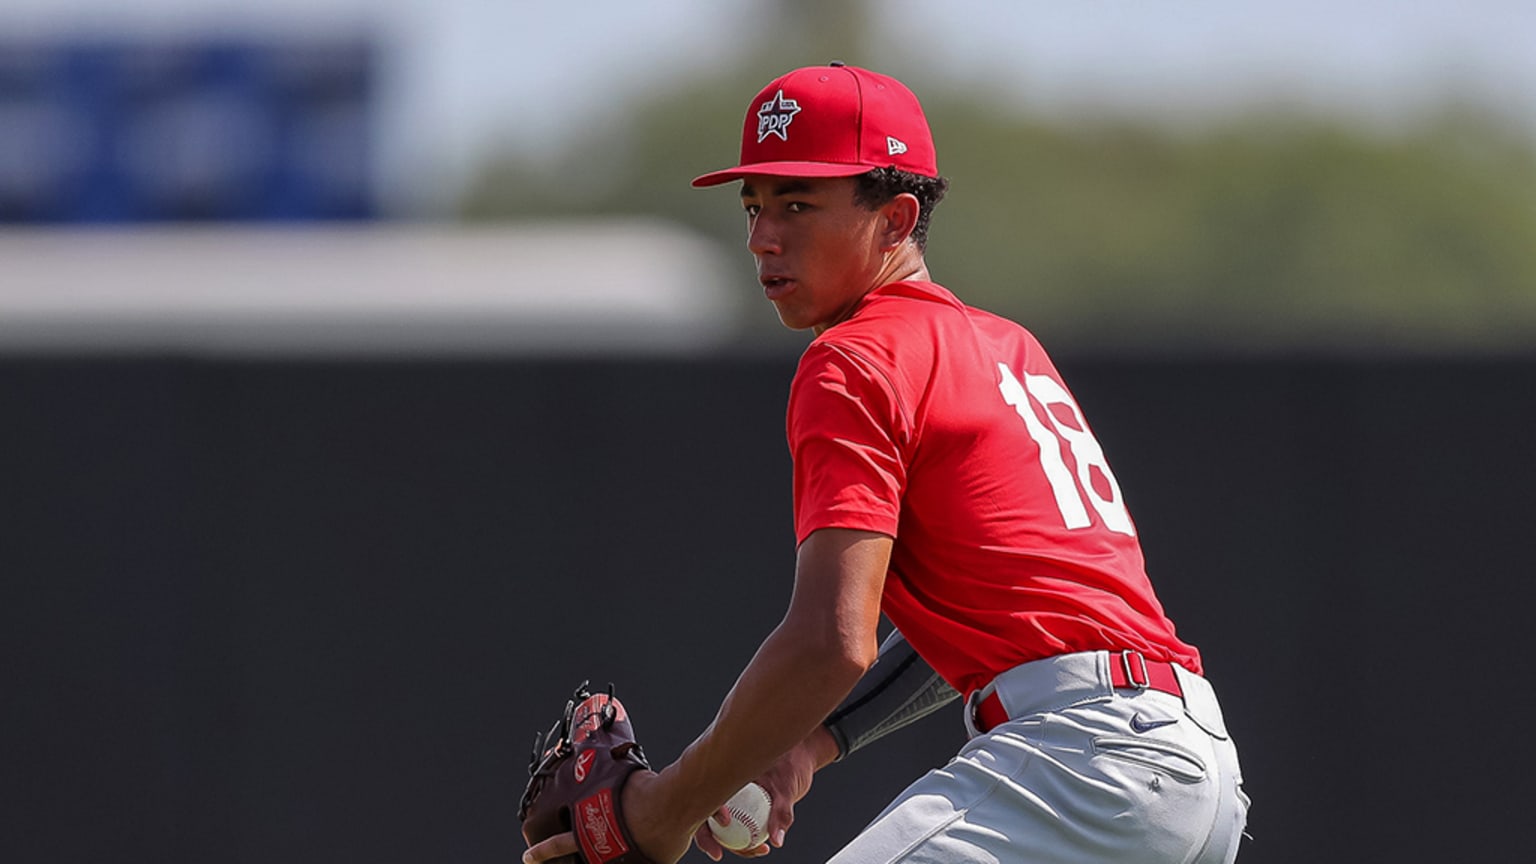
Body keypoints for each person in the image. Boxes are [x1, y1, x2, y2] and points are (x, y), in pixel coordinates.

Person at [525, 62, 1249, 864]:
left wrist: (663, 807)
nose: (764, 235)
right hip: (1185, 767)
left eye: (798, 204)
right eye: (755, 205)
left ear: (897, 217)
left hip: (1082, 767)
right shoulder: (1007, 347)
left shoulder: (856, 359)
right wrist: (802, 742)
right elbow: (997, 630)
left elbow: (831, 641)